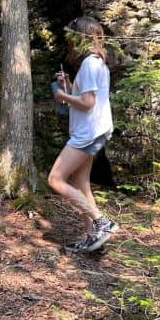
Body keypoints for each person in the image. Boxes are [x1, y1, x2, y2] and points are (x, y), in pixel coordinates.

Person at [48, 16, 119, 253]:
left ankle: (102, 222)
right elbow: (88, 99)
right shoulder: (97, 63)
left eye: (71, 36)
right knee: (81, 183)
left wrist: (62, 96)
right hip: (95, 129)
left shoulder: (89, 63)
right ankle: (92, 237)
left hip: (88, 132)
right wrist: (70, 87)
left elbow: (87, 103)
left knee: (55, 179)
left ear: (79, 37)